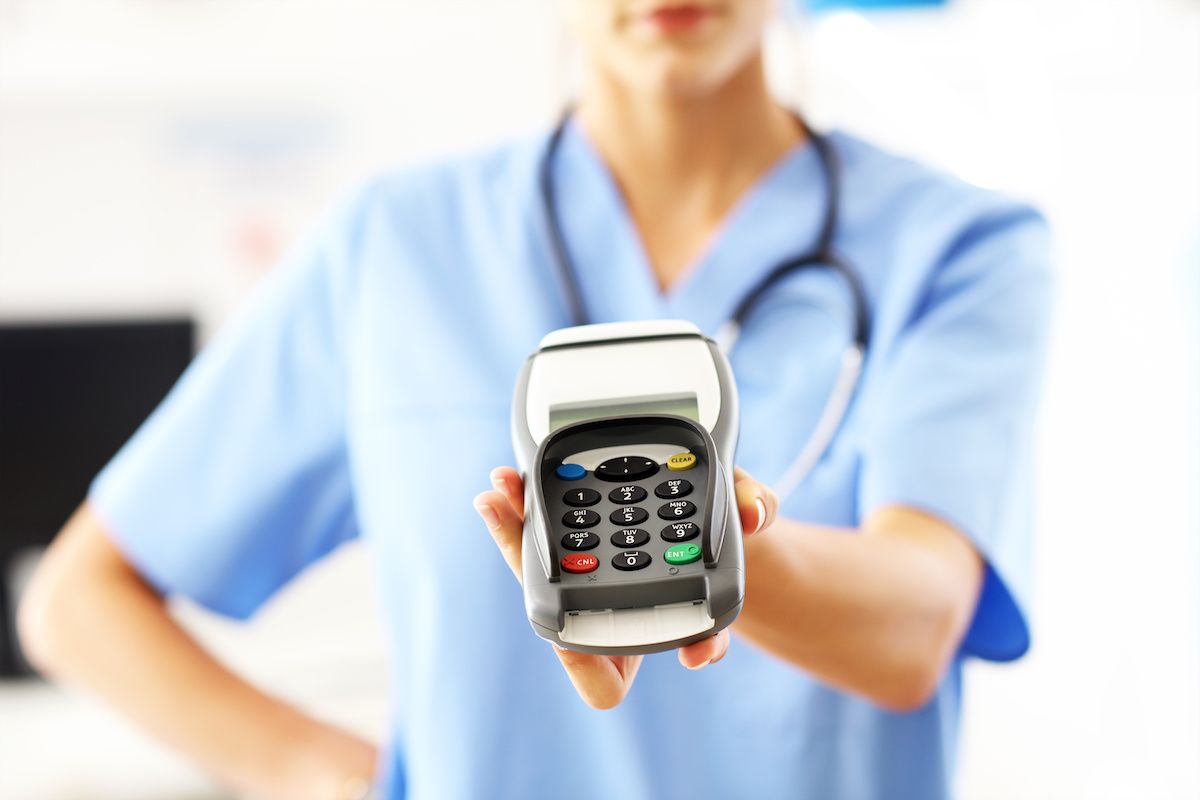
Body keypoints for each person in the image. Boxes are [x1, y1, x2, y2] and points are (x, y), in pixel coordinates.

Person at [18, 2, 1054, 798]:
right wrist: (334, 775)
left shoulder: (957, 248)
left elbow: (914, 627)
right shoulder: (398, 246)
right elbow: (78, 601)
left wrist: (705, 542)